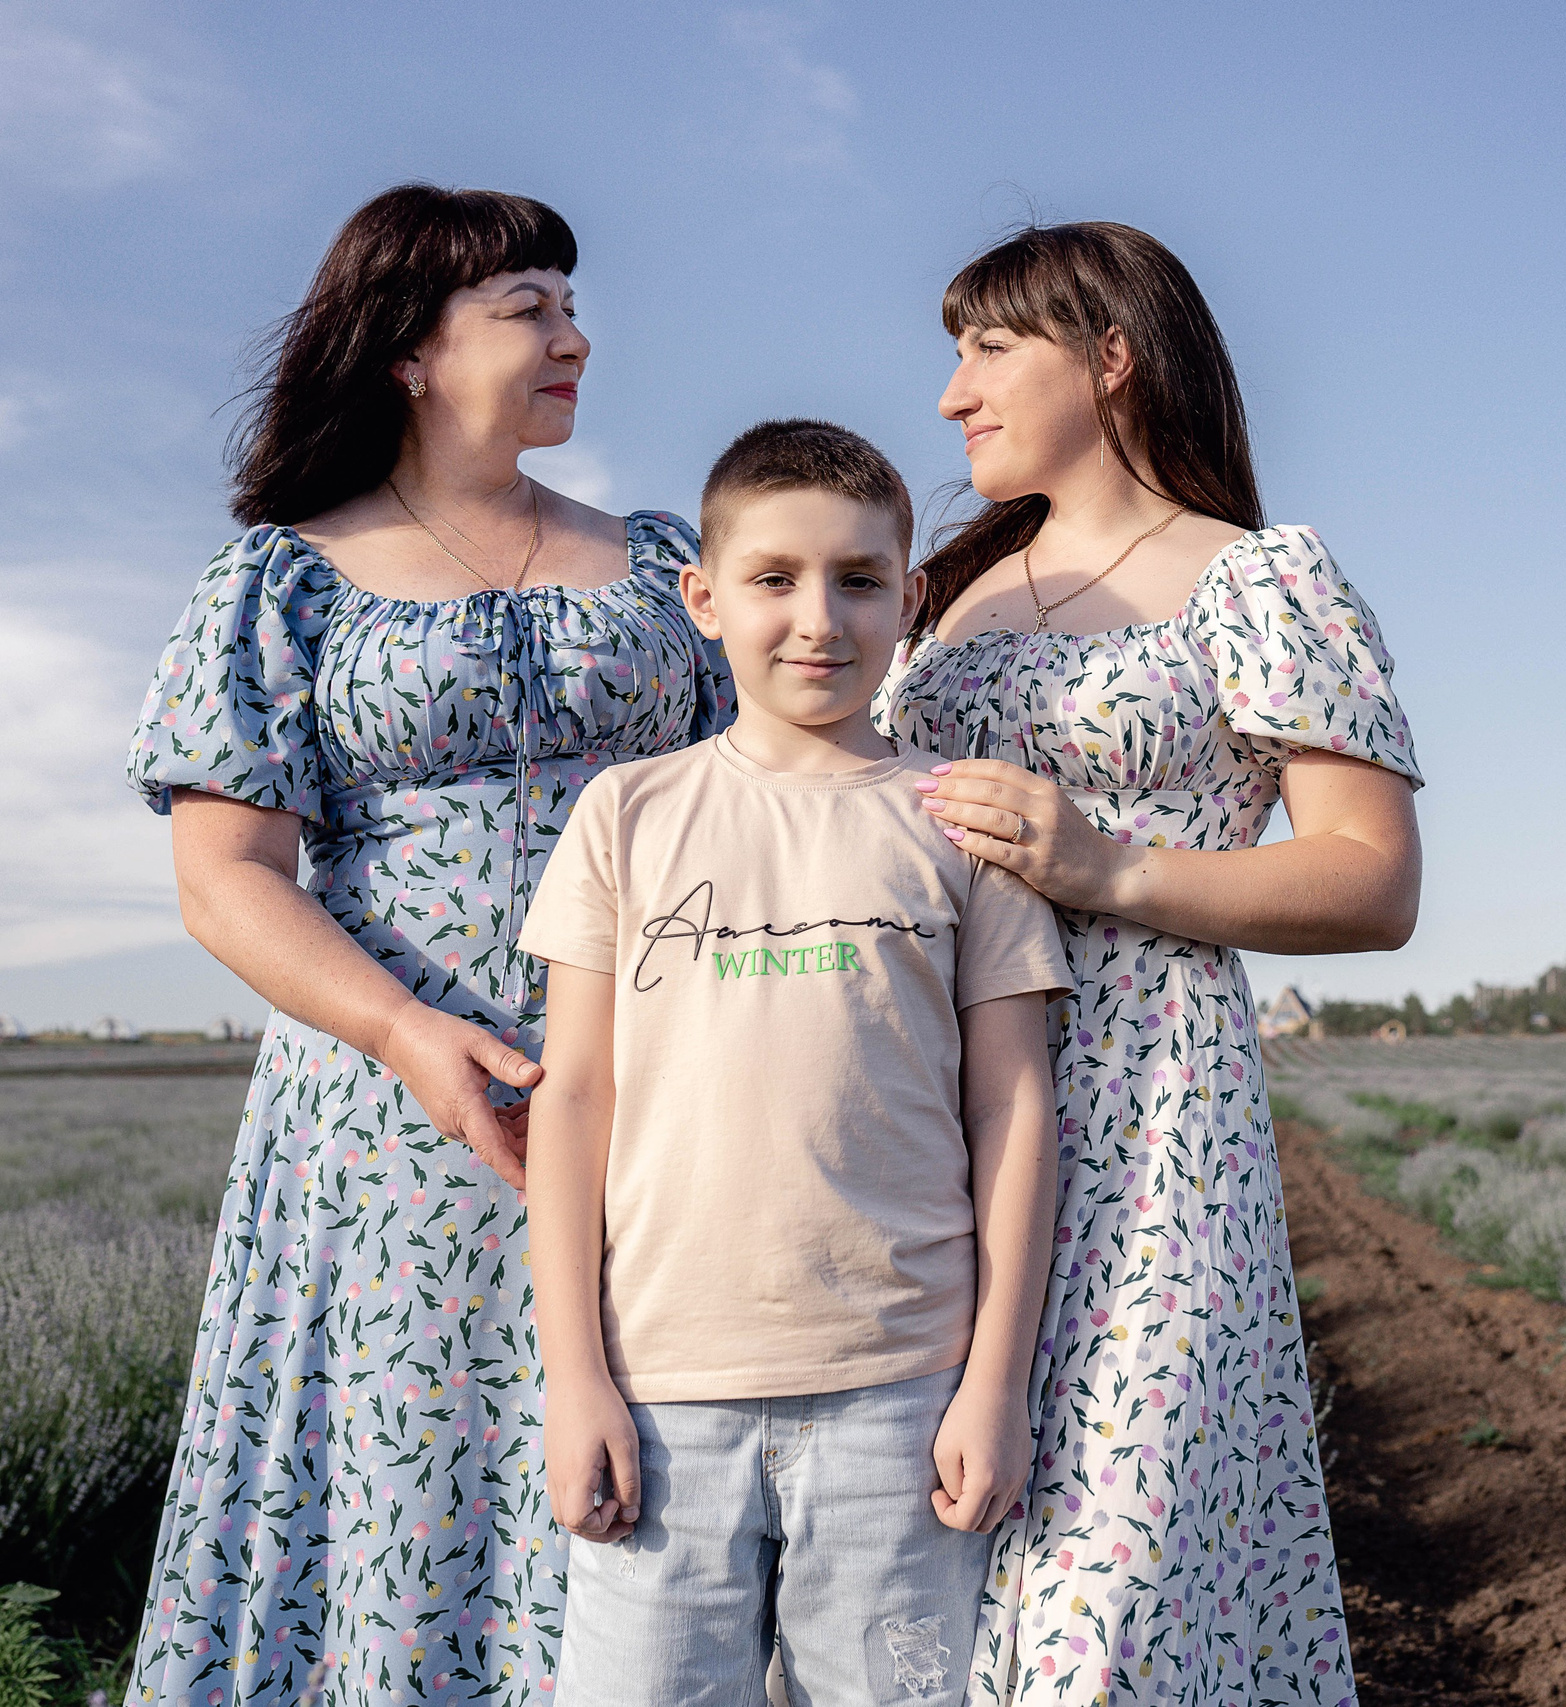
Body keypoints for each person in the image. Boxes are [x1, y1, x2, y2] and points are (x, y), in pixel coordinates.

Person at [120, 183, 731, 1706]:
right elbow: (229, 878)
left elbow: (768, 797)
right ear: (407, 346)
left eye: (571, 306)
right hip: (395, 1128)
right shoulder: (281, 576)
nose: (573, 337)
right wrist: (407, 1033)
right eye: (530, 309)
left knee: (663, 1478)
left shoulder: (667, 564)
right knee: (414, 1488)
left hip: (662, 1084)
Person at [876, 223, 1425, 1706]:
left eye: (990, 348)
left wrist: (1111, 870)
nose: (951, 395)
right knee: (919, 1591)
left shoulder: (1257, 579)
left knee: (1102, 1594)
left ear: (1110, 354)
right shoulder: (938, 598)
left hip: (1147, 1118)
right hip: (924, 1113)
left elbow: (1375, 882)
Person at [519, 421, 1071, 1704]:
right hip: (663, 1396)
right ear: (704, 600)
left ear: (911, 594)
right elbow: (575, 1100)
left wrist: (993, 1383)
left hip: (899, 1394)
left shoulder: (961, 821)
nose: (818, 618)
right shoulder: (629, 813)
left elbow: (1014, 1104)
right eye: (773, 579)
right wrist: (575, 1379)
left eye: (859, 579)